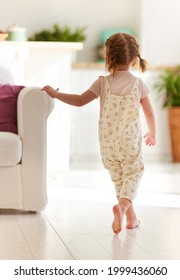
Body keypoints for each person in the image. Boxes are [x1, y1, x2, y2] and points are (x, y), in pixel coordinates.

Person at [42, 32, 156, 235]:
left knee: (119, 178)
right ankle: (121, 208)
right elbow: (149, 111)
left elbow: (79, 100)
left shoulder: (102, 83)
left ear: (108, 58)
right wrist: (152, 132)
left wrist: (57, 94)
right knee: (133, 173)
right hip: (129, 142)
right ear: (133, 59)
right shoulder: (139, 85)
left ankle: (131, 218)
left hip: (108, 143)